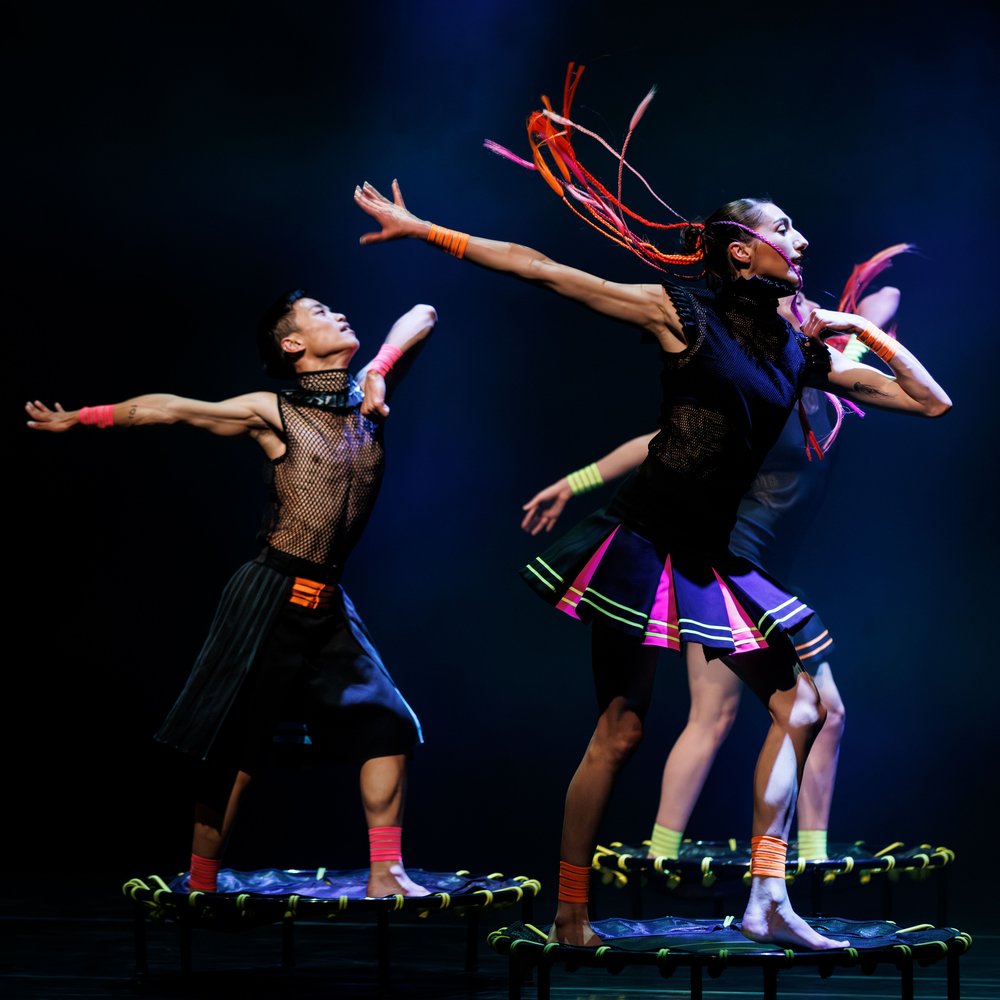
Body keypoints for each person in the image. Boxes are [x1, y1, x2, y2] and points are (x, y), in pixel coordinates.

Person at [353, 174, 950, 950]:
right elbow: (544, 269)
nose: (801, 240)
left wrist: (861, 329)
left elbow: (931, 401)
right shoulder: (683, 315)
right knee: (620, 732)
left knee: (802, 710)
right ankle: (571, 914)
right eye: (784, 228)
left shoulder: (796, 351)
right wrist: (426, 230)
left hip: (711, 558)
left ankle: (767, 901)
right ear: (742, 252)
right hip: (640, 545)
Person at [26, 292, 438, 898]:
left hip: (328, 599)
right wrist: (84, 417)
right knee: (237, 746)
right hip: (270, 592)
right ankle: (201, 881)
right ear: (292, 344)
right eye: (318, 312)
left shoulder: (369, 399)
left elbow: (423, 313)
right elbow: (169, 410)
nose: (337, 314)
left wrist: (380, 368)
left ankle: (387, 873)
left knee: (388, 725)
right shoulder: (272, 410)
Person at [521, 264, 906, 866]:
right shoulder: (769, 389)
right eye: (792, 303)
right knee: (714, 714)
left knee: (823, 714)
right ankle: (661, 855)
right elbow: (657, 442)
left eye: (805, 301)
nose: (803, 305)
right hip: (727, 568)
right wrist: (575, 482)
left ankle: (811, 858)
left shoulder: (826, 378)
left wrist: (858, 318)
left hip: (771, 578)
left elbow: (881, 308)